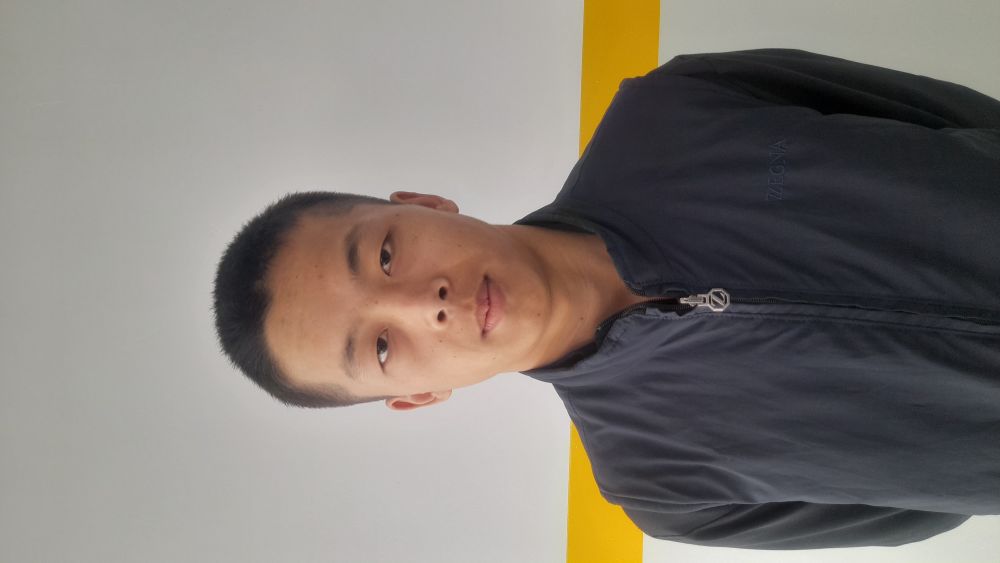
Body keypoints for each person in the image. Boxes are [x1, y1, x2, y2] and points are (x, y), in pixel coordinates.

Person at [213, 48, 1000, 549]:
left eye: (386, 254)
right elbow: (921, 506)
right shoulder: (663, 488)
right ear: (418, 394)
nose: (428, 306)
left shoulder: (668, 110)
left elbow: (944, 119)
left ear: (423, 203)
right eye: (381, 347)